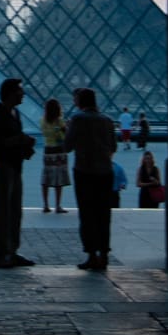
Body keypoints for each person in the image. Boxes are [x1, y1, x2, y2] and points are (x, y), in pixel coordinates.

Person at [0, 77, 36, 268]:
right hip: (2, 166)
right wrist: (18, 140)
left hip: (14, 166)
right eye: (20, 91)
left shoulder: (15, 114)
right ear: (10, 93)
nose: (23, 94)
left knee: (14, 212)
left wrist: (24, 147)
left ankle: (11, 252)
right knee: (1, 212)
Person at [64, 87, 117, 271]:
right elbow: (113, 146)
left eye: (75, 99)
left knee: (87, 214)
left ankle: (91, 254)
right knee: (103, 214)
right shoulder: (107, 120)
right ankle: (104, 254)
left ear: (80, 101)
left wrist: (67, 129)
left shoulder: (77, 119)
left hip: (85, 171)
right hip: (105, 172)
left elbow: (67, 146)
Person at [40, 98, 70, 213]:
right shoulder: (60, 121)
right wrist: (63, 128)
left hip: (48, 150)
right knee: (59, 179)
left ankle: (46, 205)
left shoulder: (42, 120)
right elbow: (64, 135)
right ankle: (58, 205)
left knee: (46, 177)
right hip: (59, 151)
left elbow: (46, 133)